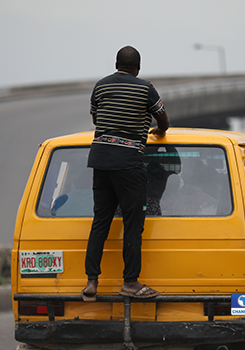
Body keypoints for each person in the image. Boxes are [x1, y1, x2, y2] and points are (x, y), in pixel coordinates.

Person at [81, 46, 170, 301]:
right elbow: (162, 119)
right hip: (128, 163)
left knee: (101, 221)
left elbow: (97, 120)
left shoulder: (100, 86)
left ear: (116, 64)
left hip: (100, 160)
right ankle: (130, 283)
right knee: (133, 224)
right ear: (137, 68)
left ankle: (91, 281)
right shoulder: (145, 88)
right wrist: (159, 131)